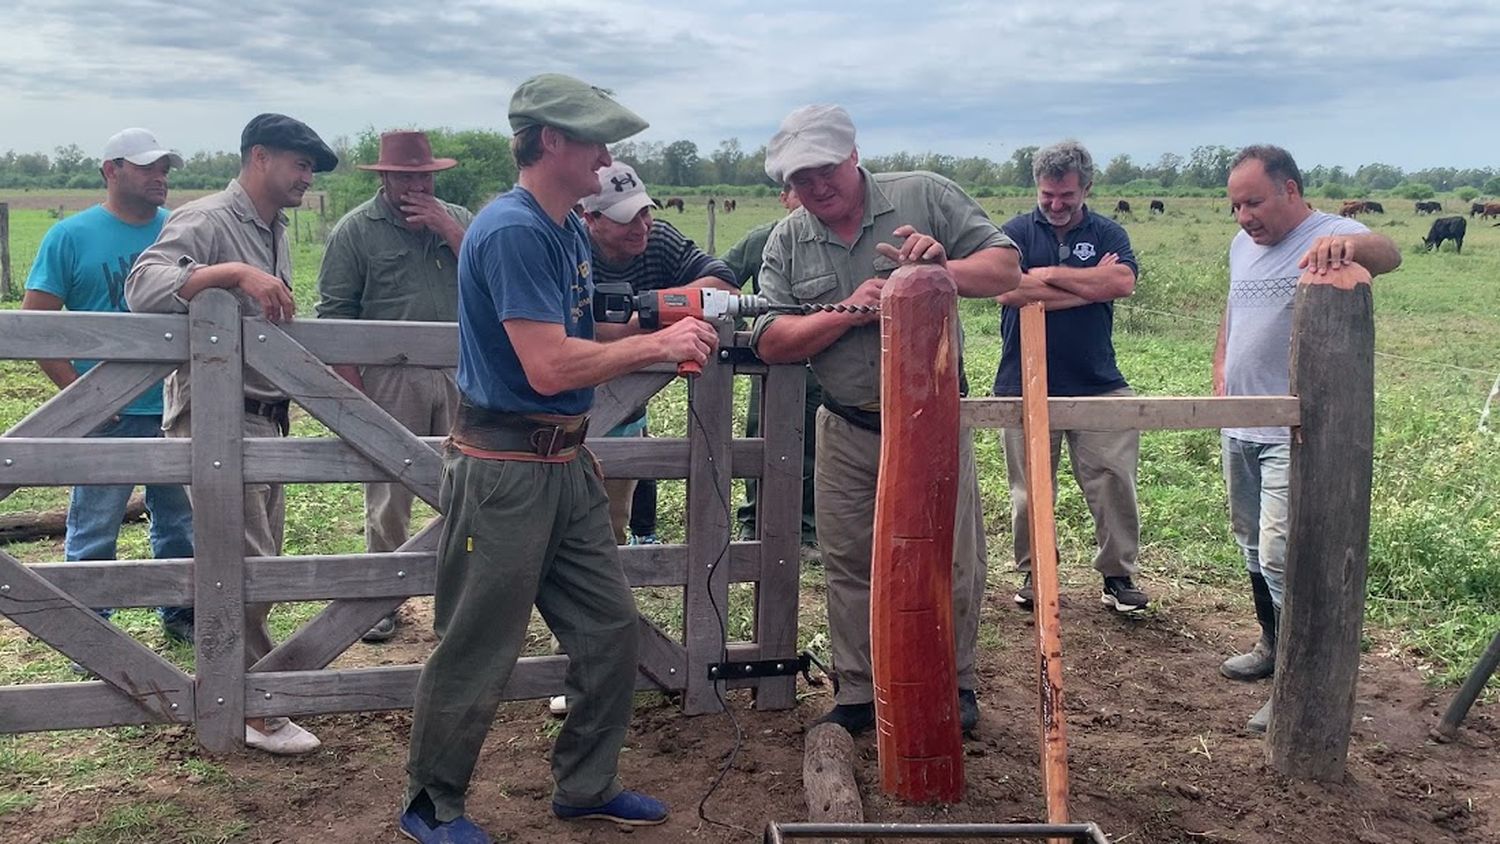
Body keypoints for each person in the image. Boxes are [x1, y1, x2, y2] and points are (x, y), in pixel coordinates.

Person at [399, 74, 717, 843]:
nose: (607, 158)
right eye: (596, 142)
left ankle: (586, 785)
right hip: (505, 471)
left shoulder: (567, 227)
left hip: (565, 466)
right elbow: (545, 366)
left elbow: (585, 334)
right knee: (478, 642)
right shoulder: (514, 231)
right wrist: (661, 344)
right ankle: (430, 806)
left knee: (610, 634)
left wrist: (661, 320)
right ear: (551, 142)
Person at [751, 105, 1021, 736]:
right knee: (848, 560)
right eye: (800, 178)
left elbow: (1005, 268)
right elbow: (770, 339)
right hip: (846, 428)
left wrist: (933, 273)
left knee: (950, 560)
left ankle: (953, 683)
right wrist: (849, 310)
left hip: (932, 424)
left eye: (824, 169)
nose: (816, 187)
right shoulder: (788, 239)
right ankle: (858, 690)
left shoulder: (923, 195)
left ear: (852, 155)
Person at [126, 113, 339, 756]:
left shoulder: (272, 228)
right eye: (299, 164)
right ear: (259, 157)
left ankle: (242, 693)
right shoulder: (211, 218)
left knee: (256, 561)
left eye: (310, 167)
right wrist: (230, 275)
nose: (306, 177)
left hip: (264, 416)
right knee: (246, 564)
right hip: (217, 417)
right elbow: (143, 285)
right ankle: (255, 707)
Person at [1214, 144, 1401, 733]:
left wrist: (1350, 247)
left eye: (1255, 201)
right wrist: (1220, 369)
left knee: (1279, 552)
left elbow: (1388, 252)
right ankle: (1271, 647)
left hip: (1291, 429)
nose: (1245, 216)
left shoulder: (1331, 231)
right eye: (1236, 205)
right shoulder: (1242, 246)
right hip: (1239, 420)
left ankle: (1299, 680)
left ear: (1290, 190)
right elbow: (1232, 314)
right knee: (1250, 541)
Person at [21, 128, 195, 645]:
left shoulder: (180, 233)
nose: (159, 175)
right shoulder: (70, 237)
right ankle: (88, 628)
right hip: (108, 412)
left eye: (164, 166)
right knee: (96, 523)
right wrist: (84, 399)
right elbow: (35, 326)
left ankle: (182, 612)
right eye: (146, 166)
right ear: (110, 170)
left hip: (176, 406)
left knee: (181, 523)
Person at [316, 130, 472, 643]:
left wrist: (448, 229)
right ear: (384, 177)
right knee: (388, 494)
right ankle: (383, 598)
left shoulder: (462, 220)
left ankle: (464, 598)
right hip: (390, 377)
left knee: (466, 487)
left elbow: (494, 278)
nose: (417, 185)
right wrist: (358, 395)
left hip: (460, 372)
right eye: (406, 176)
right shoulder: (355, 230)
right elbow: (335, 317)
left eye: (424, 175)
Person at [993, 140, 1148, 614]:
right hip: (1023, 381)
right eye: (1047, 196)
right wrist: (1088, 287)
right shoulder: (1013, 233)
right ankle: (1036, 573)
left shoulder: (1107, 232)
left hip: (1097, 379)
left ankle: (1118, 576)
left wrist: (1047, 277)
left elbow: (1121, 282)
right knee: (1031, 489)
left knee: (1112, 480)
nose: (1056, 206)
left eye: (1067, 196)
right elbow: (1005, 289)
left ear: (1087, 189)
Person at [580, 161, 738, 547]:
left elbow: (725, 286)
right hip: (566, 401)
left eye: (645, 211)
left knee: (609, 526)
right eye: (625, 218)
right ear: (591, 218)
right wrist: (662, 321)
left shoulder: (660, 240)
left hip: (626, 406)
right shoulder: (568, 245)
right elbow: (567, 324)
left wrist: (642, 316)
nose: (642, 226)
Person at [724, 187, 822, 555]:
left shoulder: (835, 241)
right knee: (760, 439)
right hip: (771, 361)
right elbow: (721, 276)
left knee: (815, 445)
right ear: (785, 198)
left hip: (822, 364)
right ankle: (753, 522)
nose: (806, 201)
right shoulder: (762, 239)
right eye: (799, 191)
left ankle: (806, 531)